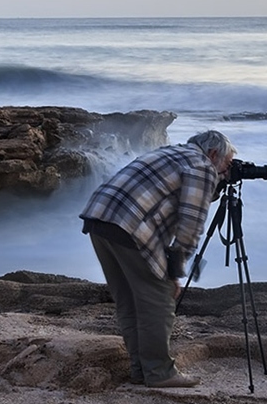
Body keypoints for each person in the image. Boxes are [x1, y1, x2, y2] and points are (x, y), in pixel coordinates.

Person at [80, 130, 235, 388]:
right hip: (128, 225)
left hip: (99, 218)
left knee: (129, 300)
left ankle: (140, 370)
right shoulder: (203, 166)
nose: (225, 171)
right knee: (159, 297)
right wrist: (175, 270)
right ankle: (160, 372)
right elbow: (190, 223)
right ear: (214, 154)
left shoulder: (170, 152)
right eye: (227, 165)